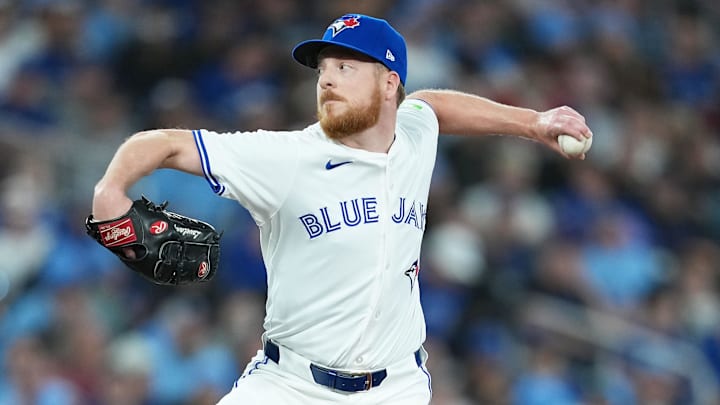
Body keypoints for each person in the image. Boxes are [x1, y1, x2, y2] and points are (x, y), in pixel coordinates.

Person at [91, 13, 592, 405]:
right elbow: (163, 144)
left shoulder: (413, 139)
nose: (327, 80)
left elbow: (433, 105)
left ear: (389, 84)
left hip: (396, 386)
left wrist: (532, 122)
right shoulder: (286, 158)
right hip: (290, 385)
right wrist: (109, 193)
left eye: (346, 68)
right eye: (324, 69)